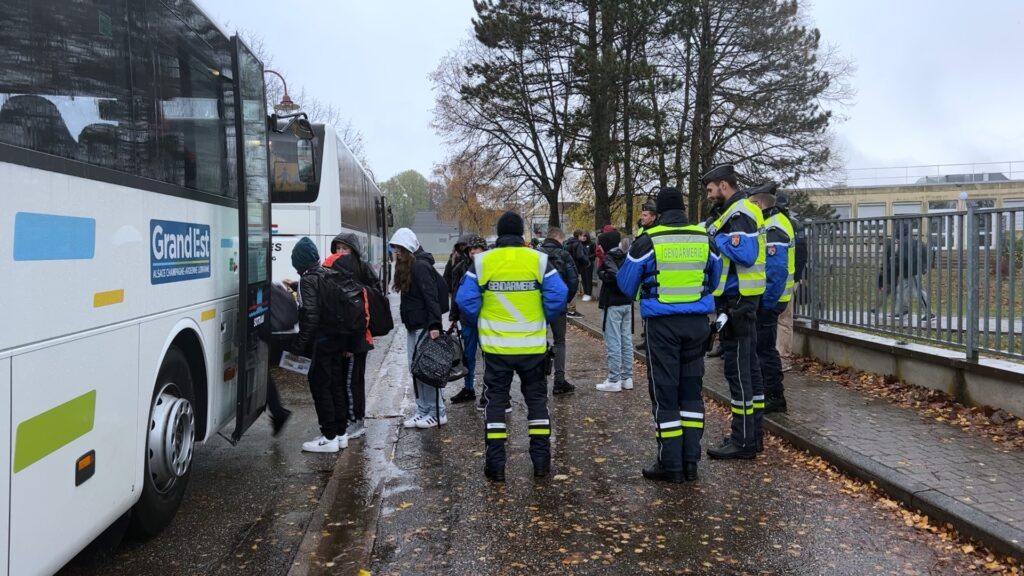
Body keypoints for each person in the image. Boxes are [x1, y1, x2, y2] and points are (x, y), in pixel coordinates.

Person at [618, 187, 721, 482]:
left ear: (660, 212)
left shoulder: (648, 241)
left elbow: (626, 284)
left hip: (662, 326)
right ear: (684, 210)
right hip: (697, 324)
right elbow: (715, 279)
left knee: (665, 394)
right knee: (691, 394)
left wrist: (648, 294)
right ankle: (691, 462)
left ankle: (670, 463)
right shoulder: (706, 239)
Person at [455, 211, 568, 481]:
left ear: (499, 233)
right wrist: (542, 316)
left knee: (495, 404)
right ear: (521, 234)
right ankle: (541, 464)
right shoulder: (539, 260)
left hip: (497, 349)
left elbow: (465, 300)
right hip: (532, 347)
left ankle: (496, 467)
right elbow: (559, 294)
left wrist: (482, 320)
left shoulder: (482, 262)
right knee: (537, 403)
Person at [703, 164, 766, 461]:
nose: (708, 194)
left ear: (722, 184)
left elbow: (746, 254)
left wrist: (715, 238)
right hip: (743, 300)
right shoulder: (737, 210)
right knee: (750, 370)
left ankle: (743, 441)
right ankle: (752, 435)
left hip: (738, 301)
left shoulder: (739, 213)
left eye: (710, 188)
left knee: (739, 372)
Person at [288, 237, 350, 453]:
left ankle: (329, 436)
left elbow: (311, 318)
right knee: (336, 386)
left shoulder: (308, 281)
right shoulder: (327, 273)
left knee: (320, 388)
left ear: (300, 262)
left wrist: (297, 347)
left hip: (322, 343)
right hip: (336, 340)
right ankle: (341, 434)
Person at [389, 227, 447, 429]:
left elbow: (430, 297)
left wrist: (434, 325)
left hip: (423, 326)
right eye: (395, 248)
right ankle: (423, 410)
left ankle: (436, 411)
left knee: (427, 370)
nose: (396, 252)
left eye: (399, 248)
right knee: (418, 370)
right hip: (416, 325)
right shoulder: (413, 265)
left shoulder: (419, 267)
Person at [324, 233, 380, 440]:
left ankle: (356, 421)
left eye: (345, 249)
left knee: (352, 382)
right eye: (337, 248)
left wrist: (350, 340)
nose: (340, 253)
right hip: (346, 337)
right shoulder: (335, 271)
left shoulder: (360, 271)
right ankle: (349, 418)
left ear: (354, 251)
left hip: (357, 339)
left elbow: (359, 309)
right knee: (344, 380)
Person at [748, 184, 794, 414]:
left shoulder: (774, 228)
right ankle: (770, 393)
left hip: (771, 300)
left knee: (765, 350)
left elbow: (776, 272)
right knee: (764, 348)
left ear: (758, 204)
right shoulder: (774, 223)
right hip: (774, 298)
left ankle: (774, 396)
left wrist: (766, 303)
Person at [537, 227, 581, 396]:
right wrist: (566, 300)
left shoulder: (537, 255)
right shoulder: (564, 255)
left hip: (539, 305)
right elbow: (573, 280)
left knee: (539, 341)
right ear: (558, 238)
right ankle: (559, 381)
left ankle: (538, 380)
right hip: (558, 305)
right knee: (560, 341)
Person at [449, 234, 488, 405]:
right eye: (470, 249)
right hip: (468, 320)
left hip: (486, 319)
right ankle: (469, 388)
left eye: (476, 248)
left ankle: (488, 391)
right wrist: (453, 317)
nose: (473, 252)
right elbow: (456, 293)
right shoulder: (460, 267)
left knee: (489, 357)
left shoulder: (490, 266)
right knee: (468, 356)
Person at [595, 229, 635, 392]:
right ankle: (627, 377)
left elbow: (613, 276)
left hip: (612, 303)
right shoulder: (628, 256)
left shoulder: (608, 258)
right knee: (626, 340)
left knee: (613, 341)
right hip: (626, 302)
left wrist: (603, 274)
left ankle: (614, 379)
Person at [635, 200, 658, 352]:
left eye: (645, 215)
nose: (642, 217)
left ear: (654, 217)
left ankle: (651, 340)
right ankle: (647, 337)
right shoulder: (641, 230)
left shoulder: (655, 232)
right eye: (642, 214)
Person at [579, 231, 597, 301]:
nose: (583, 238)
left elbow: (594, 253)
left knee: (588, 279)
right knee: (583, 279)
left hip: (589, 263)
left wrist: (588, 257)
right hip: (582, 264)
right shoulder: (580, 244)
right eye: (582, 236)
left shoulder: (592, 244)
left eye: (585, 236)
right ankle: (585, 293)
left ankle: (589, 294)